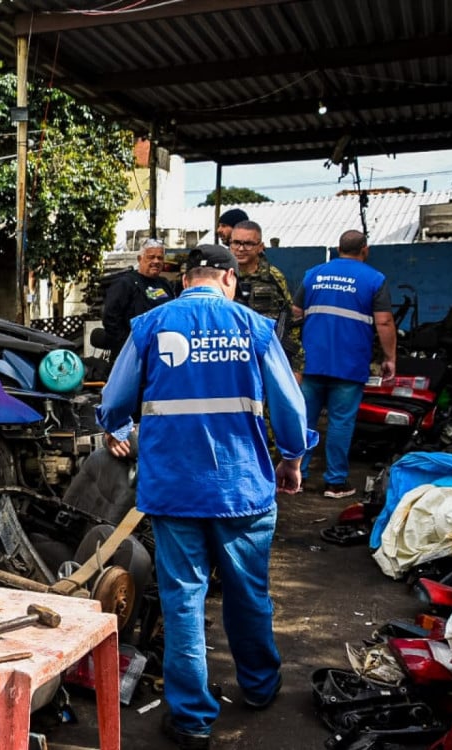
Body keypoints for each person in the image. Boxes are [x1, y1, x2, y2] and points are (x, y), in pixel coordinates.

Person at [96, 243, 314, 750]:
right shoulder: (255, 327)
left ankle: (192, 720)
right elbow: (289, 407)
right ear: (230, 281)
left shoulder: (151, 324)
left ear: (185, 280)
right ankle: (259, 687)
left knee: (183, 601)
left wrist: (118, 428)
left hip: (174, 491)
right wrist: (293, 459)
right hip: (243, 488)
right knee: (248, 593)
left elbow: (114, 403)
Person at [293, 229, 397, 499]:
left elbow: (295, 314)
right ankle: (335, 483)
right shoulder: (374, 279)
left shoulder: (313, 274)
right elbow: (384, 321)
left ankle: (296, 477)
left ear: (339, 248)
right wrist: (390, 358)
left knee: (305, 420)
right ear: (365, 249)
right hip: (349, 364)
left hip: (311, 361)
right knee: (340, 423)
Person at [230, 220, 304, 377]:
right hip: (229, 360)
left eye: (248, 244)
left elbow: (290, 322)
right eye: (236, 243)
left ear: (260, 247)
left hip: (266, 361)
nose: (241, 249)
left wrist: (296, 368)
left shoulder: (273, 277)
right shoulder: (220, 277)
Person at [101, 238, 175, 362]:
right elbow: (110, 319)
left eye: (160, 258)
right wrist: (129, 345)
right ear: (140, 259)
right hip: (132, 354)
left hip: (160, 352)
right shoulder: (125, 284)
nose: (156, 261)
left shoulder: (165, 284)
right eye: (151, 257)